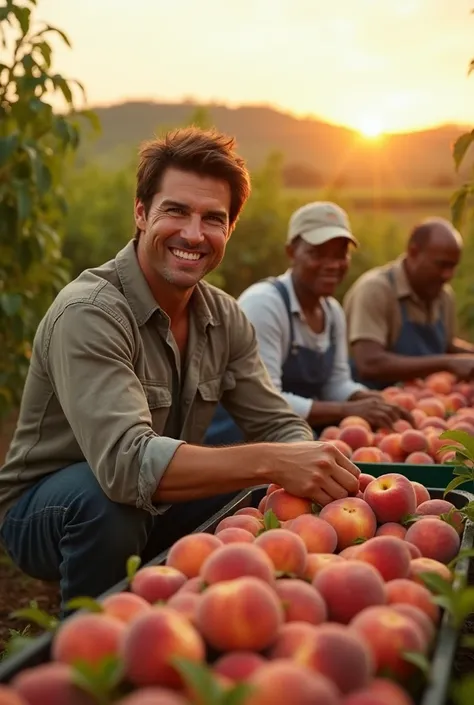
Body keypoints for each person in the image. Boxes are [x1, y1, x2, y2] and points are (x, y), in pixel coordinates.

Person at [0, 128, 360, 610]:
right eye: (176, 211)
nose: (194, 234)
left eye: (213, 218)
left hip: (148, 499)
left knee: (250, 491)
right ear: (141, 212)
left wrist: (310, 475)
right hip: (47, 510)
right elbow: (127, 467)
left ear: (229, 229)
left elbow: (274, 421)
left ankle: (204, 611)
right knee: (111, 503)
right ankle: (90, 635)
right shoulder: (90, 312)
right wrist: (273, 460)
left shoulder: (224, 317)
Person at [204, 202, 410, 446]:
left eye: (340, 254)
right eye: (317, 253)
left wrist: (367, 398)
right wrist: (348, 410)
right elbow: (265, 399)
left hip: (288, 437)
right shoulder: (265, 304)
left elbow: (336, 382)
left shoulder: (332, 312)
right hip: (238, 441)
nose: (332, 264)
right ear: (291, 252)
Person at [343, 217, 474, 389]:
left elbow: (446, 346)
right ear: (413, 252)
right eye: (441, 265)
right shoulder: (375, 290)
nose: (448, 275)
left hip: (423, 401)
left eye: (453, 266)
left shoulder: (443, 295)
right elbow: (369, 363)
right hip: (373, 404)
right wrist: (447, 363)